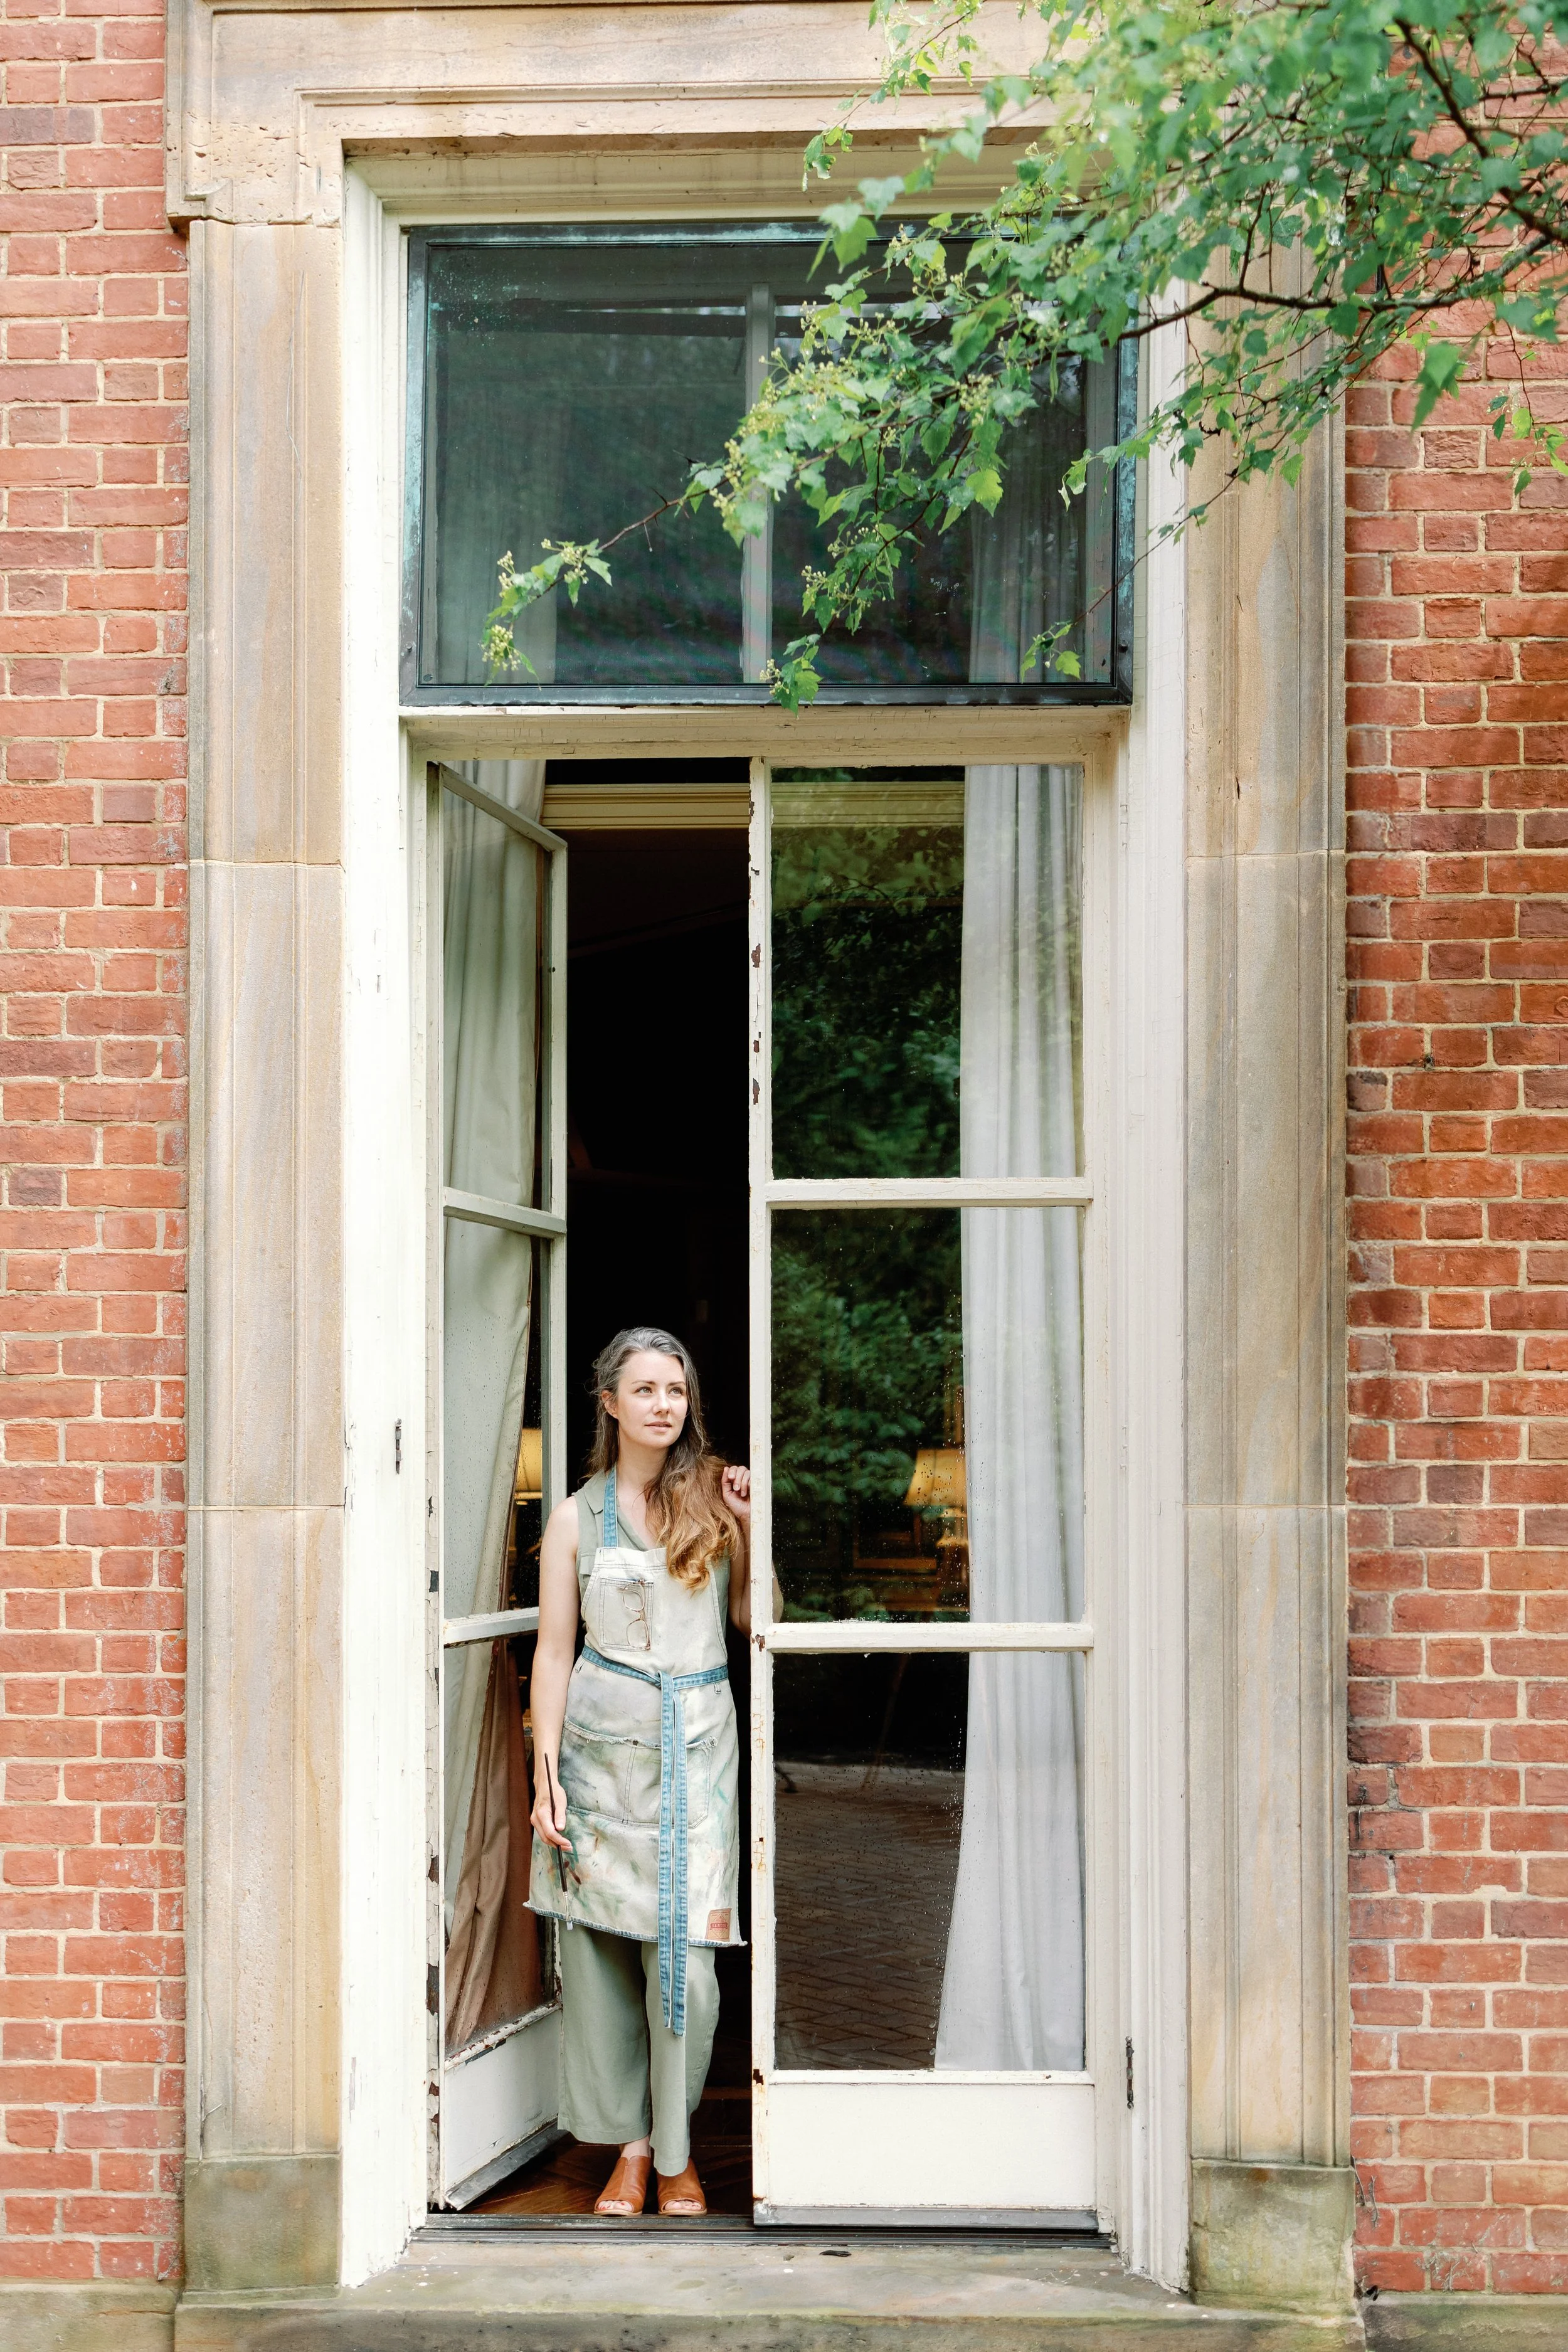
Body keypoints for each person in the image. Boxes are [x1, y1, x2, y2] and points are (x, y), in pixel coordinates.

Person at [527, 1326, 751, 2218]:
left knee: (687, 1965)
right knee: (604, 1960)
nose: (665, 1405)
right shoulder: (575, 1517)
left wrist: (751, 1526)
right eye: (647, 1389)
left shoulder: (715, 1495)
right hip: (598, 1759)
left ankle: (676, 2148)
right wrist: (546, 1774)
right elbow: (553, 1652)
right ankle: (632, 2150)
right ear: (610, 1403)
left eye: (677, 1390)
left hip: (695, 1754)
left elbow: (754, 1620)